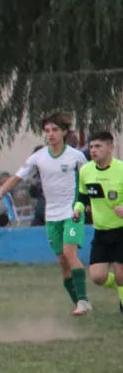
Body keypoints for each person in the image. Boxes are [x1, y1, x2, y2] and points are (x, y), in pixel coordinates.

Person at [0, 113, 90, 316]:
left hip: (72, 211)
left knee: (70, 253)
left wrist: (87, 203)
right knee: (62, 261)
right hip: (51, 215)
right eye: (47, 130)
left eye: (55, 130)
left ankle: (83, 301)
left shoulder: (76, 156)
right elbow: (17, 177)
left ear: (64, 132)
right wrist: (1, 192)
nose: (51, 134)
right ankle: (77, 303)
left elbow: (89, 180)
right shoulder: (38, 157)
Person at [74, 131, 123, 314]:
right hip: (101, 232)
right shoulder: (86, 171)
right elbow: (82, 197)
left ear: (110, 148)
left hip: (121, 230)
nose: (93, 150)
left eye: (98, 146)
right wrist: (78, 209)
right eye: (91, 147)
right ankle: (120, 287)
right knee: (97, 277)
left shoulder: (121, 170)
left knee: (121, 276)